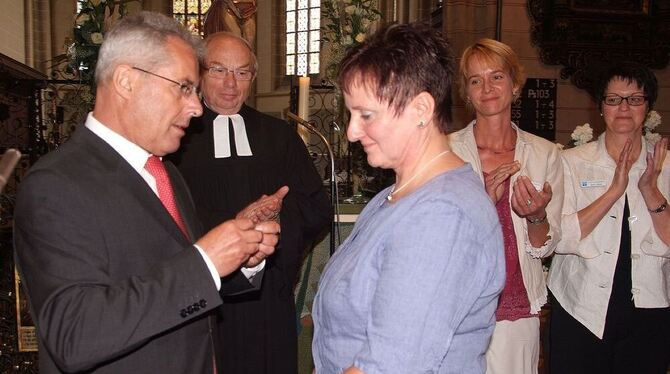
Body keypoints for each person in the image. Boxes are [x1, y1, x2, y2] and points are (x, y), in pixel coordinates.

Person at [13, 12, 281, 374]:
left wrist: (240, 257)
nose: (197, 107)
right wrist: (206, 261)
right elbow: (74, 335)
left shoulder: (164, 172)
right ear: (126, 80)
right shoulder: (56, 185)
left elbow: (180, 282)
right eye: (184, 87)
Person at [311, 23, 505, 373]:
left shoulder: (442, 216)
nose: (353, 132)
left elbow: (388, 366)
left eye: (366, 115)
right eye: (351, 115)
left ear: (420, 109)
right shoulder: (394, 194)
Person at [168, 32, 331, 374]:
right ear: (198, 73)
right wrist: (235, 226)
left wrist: (276, 219)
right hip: (205, 296)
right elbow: (165, 209)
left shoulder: (280, 136)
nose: (231, 84)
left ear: (253, 79)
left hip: (267, 296)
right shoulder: (176, 136)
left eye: (242, 73)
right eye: (218, 70)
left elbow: (315, 205)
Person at [449, 38, 563, 374]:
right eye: (475, 80)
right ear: (466, 93)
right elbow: (432, 238)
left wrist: (537, 216)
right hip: (455, 305)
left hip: (516, 305)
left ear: (515, 84)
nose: (487, 88)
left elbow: (546, 247)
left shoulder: (544, 154)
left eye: (496, 77)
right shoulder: (445, 151)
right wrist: (481, 204)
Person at [548, 62, 670, 373]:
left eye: (635, 98)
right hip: (580, 306)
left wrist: (651, 191)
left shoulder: (666, 166)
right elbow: (559, 238)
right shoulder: (571, 162)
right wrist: (613, 193)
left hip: (649, 307)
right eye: (614, 99)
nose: (624, 108)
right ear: (601, 107)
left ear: (648, 106)